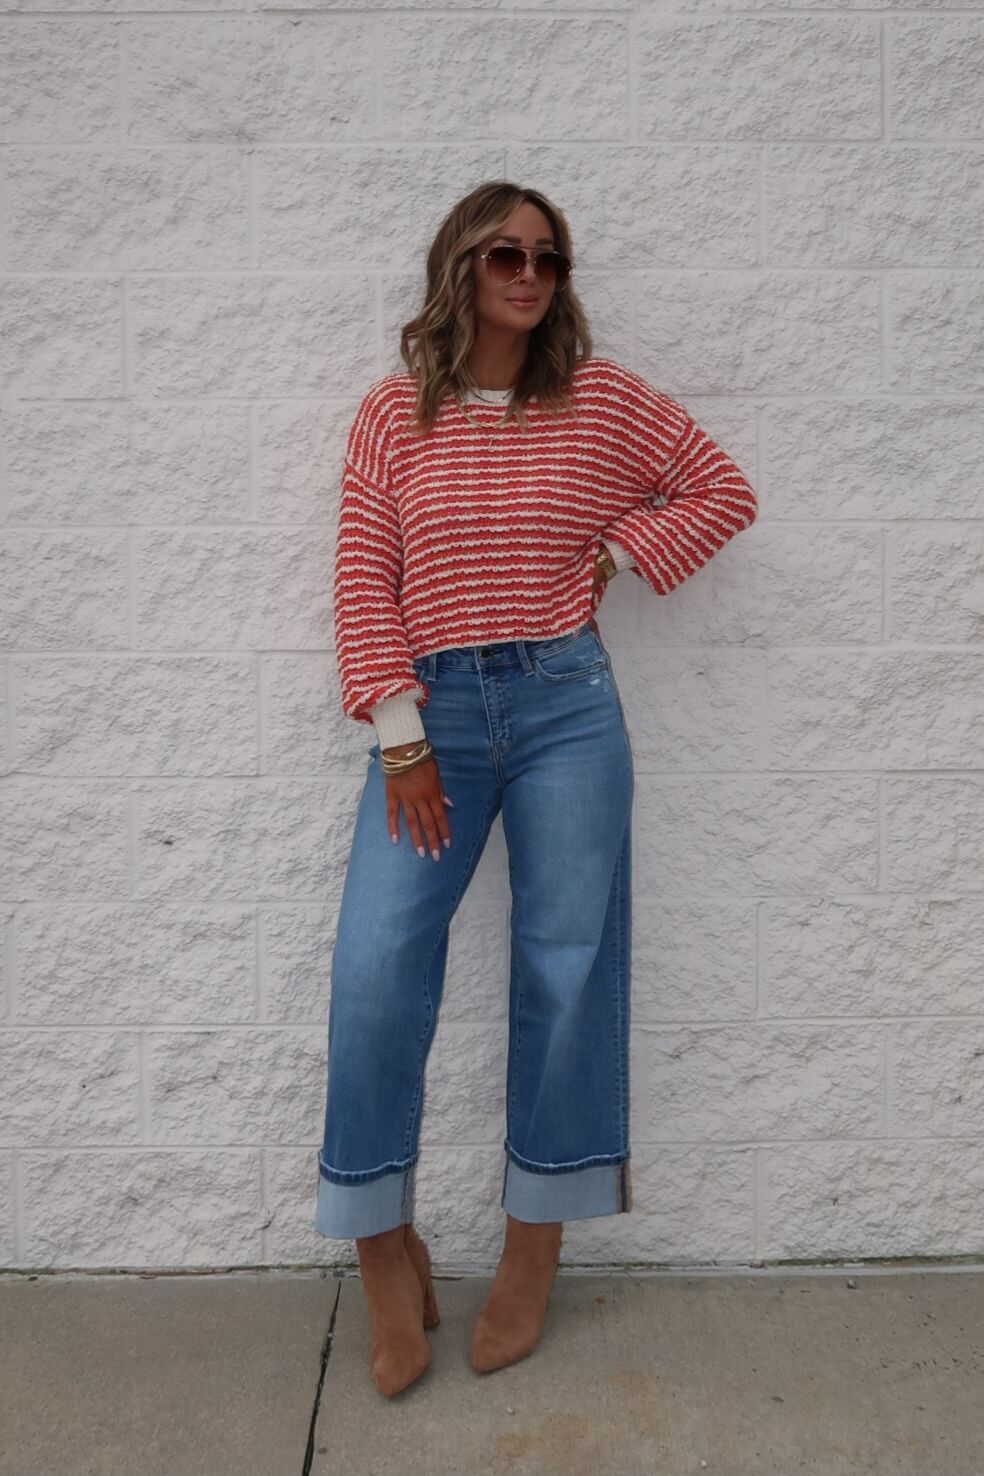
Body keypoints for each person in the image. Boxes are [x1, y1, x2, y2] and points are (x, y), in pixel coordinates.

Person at [314, 180, 758, 1398]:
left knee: (566, 964)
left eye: (547, 259)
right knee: (374, 967)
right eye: (505, 253)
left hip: (567, 706)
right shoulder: (393, 415)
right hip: (435, 717)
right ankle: (383, 1248)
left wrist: (619, 549)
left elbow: (721, 490)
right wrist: (400, 733)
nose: (527, 274)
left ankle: (533, 1240)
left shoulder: (602, 400)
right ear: (460, 263)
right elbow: (364, 579)